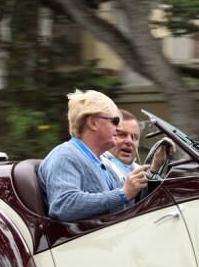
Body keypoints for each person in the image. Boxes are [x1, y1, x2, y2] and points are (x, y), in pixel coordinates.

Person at [39, 90, 150, 221]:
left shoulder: (102, 161)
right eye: (115, 121)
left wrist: (153, 170)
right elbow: (63, 205)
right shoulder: (65, 155)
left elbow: (128, 203)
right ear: (93, 123)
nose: (118, 127)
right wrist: (122, 194)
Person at [103, 110, 141, 182]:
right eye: (121, 135)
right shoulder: (98, 167)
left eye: (134, 137)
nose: (129, 141)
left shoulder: (140, 170)